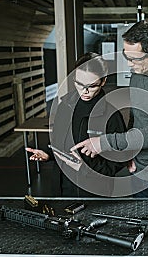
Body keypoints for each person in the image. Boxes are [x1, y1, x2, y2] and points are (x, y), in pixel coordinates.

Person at [71, 20, 148, 198]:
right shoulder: (137, 76)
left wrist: (103, 142)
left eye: (134, 58)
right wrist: (128, 153)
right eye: (126, 56)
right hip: (138, 171)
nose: (129, 64)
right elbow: (136, 119)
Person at [26, 52, 127, 197]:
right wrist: (48, 154)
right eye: (79, 84)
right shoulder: (65, 106)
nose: (84, 91)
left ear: (103, 81)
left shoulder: (112, 116)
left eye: (92, 86)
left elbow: (117, 162)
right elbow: (60, 143)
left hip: (93, 192)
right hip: (62, 187)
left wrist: (83, 169)